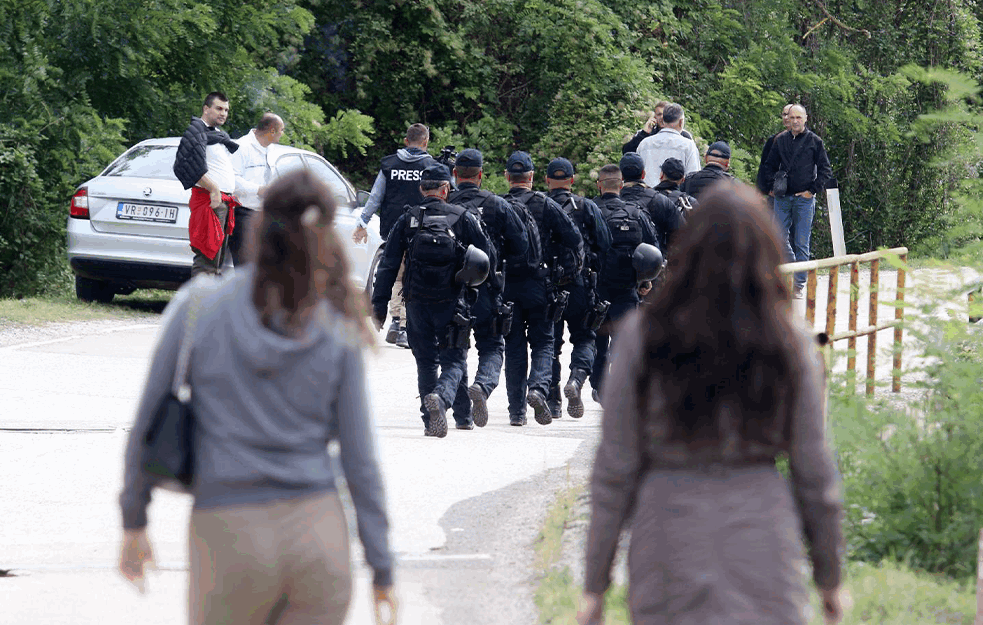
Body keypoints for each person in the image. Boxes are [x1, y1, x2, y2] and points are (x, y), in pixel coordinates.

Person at [119, 169, 397, 624]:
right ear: (325, 234)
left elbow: (148, 418)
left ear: (258, 225)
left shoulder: (199, 306)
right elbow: (360, 460)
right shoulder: (339, 324)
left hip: (227, 532)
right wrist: (382, 566)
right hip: (318, 534)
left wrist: (134, 519)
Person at [577, 182, 845, 625]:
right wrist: (829, 578)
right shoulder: (790, 344)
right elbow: (815, 472)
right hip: (762, 534)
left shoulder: (642, 337)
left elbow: (614, 469)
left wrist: (595, 584)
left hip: (666, 533)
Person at [371, 164, 492, 437]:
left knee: (426, 363)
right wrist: (484, 296)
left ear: (421, 190)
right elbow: (487, 258)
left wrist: (379, 307)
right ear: (446, 189)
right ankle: (443, 398)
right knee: (454, 360)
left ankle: (443, 420)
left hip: (416, 304)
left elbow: (388, 266)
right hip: (452, 303)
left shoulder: (407, 219)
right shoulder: (462, 217)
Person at [447, 148, 529, 428]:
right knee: (492, 345)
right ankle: (482, 386)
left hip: (452, 290)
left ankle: (463, 418)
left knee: (456, 351)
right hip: (488, 287)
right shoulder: (496, 204)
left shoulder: (445, 204)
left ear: (455, 174)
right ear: (481, 175)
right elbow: (522, 245)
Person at [501, 151, 583, 426]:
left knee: (513, 348)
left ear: (506, 177)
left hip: (507, 287)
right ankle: (537, 388)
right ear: (533, 178)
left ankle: (516, 413)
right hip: (540, 283)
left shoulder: (498, 205)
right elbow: (573, 237)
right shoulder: (545, 204)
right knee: (544, 342)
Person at [354, 123, 437, 348]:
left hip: (392, 230)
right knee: (414, 277)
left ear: (405, 141)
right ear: (426, 142)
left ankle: (396, 322)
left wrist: (362, 222)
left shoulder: (389, 164)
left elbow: (375, 196)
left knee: (397, 277)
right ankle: (404, 328)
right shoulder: (431, 166)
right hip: (423, 232)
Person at [544, 157, 611, 419]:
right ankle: (577, 380)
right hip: (581, 283)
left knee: (550, 343)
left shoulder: (541, 205)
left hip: (549, 286)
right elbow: (605, 242)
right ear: (572, 180)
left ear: (547, 180)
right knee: (585, 338)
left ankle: (554, 401)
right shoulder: (586, 206)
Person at [590, 164, 657, 403]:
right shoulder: (636, 212)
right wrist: (646, 280)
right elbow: (653, 250)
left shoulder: (591, 211)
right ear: (621, 185)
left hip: (596, 289)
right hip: (628, 288)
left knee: (596, 341)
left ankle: (598, 388)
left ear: (599, 184)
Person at [760, 104, 833, 298]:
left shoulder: (814, 141)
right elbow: (769, 165)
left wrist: (812, 191)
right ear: (787, 119)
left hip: (804, 199)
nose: (795, 121)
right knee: (778, 238)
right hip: (783, 198)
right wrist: (772, 187)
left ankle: (799, 284)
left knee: (801, 242)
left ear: (805, 118)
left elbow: (825, 169)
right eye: (791, 118)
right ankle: (789, 274)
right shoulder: (780, 140)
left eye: (798, 118)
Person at [172, 91, 241, 277]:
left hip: (223, 203)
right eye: (219, 108)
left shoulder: (217, 135)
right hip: (209, 202)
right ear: (206, 108)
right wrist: (213, 189)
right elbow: (185, 166)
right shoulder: (195, 132)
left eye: (226, 110)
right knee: (207, 258)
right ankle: (198, 305)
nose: (223, 113)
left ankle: (207, 304)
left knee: (217, 262)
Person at [229, 112, 284, 266]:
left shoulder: (271, 149)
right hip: (243, 214)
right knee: (244, 266)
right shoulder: (242, 147)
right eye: (281, 130)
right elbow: (232, 179)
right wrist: (259, 190)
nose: (282, 134)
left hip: (264, 215)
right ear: (272, 131)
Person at [619, 152, 682, 258]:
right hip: (653, 267)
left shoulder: (613, 200)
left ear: (621, 176)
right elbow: (681, 233)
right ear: (643, 174)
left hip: (616, 266)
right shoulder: (660, 200)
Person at [636, 103, 701, 186]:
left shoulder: (645, 143)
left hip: (647, 196)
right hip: (676, 196)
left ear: (663, 121)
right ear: (681, 122)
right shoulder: (688, 145)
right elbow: (693, 177)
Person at [756, 103, 794, 197]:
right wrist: (767, 189)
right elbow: (765, 166)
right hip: (777, 193)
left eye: (789, 114)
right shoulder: (775, 139)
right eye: (784, 114)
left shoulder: (809, 140)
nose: (786, 117)